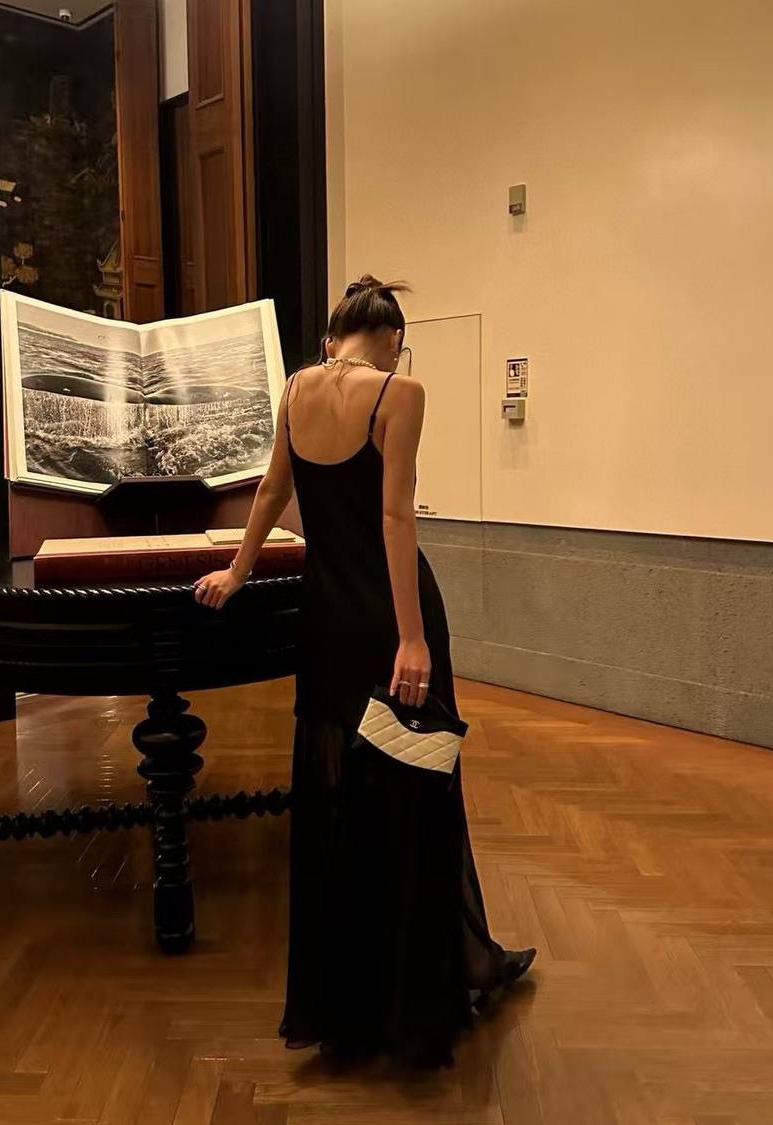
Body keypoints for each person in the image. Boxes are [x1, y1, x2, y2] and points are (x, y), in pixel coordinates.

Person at [194, 276, 535, 1067]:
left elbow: (271, 491)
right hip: (389, 614)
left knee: (333, 788)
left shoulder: (295, 390)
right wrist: (412, 638)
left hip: (325, 616)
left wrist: (238, 574)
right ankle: (418, 992)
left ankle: (343, 999)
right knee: (413, 784)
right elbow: (394, 515)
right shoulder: (399, 393)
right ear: (392, 340)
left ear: (333, 336)